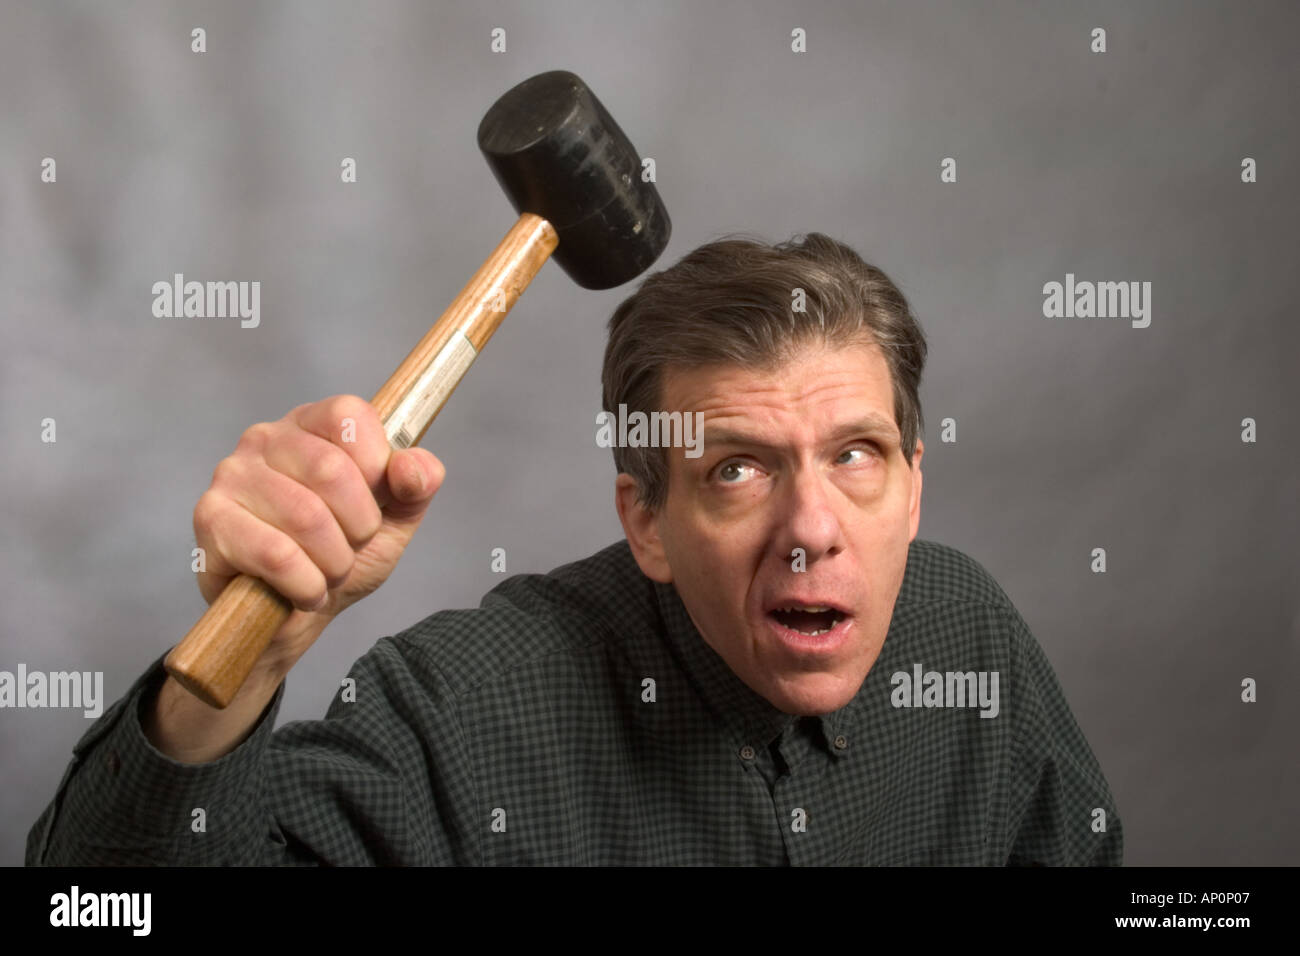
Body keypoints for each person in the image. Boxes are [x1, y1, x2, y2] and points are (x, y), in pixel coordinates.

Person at [26, 233, 1122, 866]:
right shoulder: (459, 714)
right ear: (645, 518)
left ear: (914, 480)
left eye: (855, 454)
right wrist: (250, 654)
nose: (812, 529)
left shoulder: (963, 632)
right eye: (735, 469)